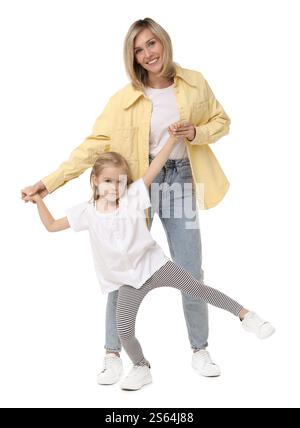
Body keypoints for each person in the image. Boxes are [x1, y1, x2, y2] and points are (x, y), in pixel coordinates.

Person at [22, 17, 233, 383]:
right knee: (124, 269)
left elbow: (222, 121)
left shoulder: (194, 81)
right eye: (138, 49)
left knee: (189, 268)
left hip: (180, 180)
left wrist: (197, 131)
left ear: (163, 42)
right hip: (138, 184)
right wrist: (49, 183)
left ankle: (200, 349)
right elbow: (91, 148)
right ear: (132, 57)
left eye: (152, 43)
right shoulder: (124, 100)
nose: (148, 53)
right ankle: (112, 352)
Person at [27, 131, 275, 391]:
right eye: (108, 181)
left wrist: (171, 138)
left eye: (119, 181)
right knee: (124, 330)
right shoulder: (87, 213)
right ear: (95, 182)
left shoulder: (133, 197)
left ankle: (247, 316)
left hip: (155, 266)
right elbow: (53, 225)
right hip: (128, 281)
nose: (114, 187)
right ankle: (141, 367)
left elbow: (155, 166)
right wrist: (38, 201)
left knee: (197, 288)